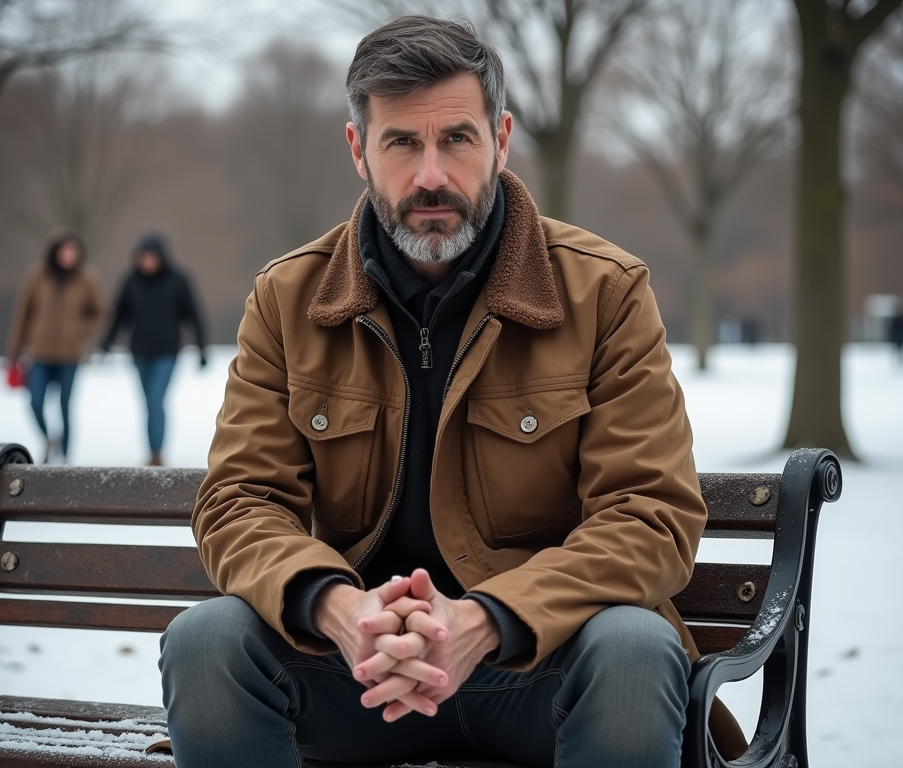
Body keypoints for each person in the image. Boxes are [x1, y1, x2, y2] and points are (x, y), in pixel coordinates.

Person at [158, 15, 747, 768]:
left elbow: (651, 515)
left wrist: (490, 619)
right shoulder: (287, 297)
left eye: (457, 139)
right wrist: (339, 610)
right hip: (358, 672)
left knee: (635, 645)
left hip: (544, 671)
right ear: (358, 150)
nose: (430, 174)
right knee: (206, 641)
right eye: (401, 142)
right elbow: (239, 501)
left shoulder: (605, 292)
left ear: (501, 141)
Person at [101, 233, 207, 466]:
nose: (147, 262)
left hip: (167, 352)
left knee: (156, 400)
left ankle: (156, 453)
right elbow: (120, 314)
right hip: (139, 352)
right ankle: (152, 450)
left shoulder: (178, 280)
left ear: (161, 257)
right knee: (147, 403)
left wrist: (202, 349)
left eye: (152, 257)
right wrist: (106, 342)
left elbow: (193, 316)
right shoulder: (131, 280)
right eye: (143, 257)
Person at [7, 230, 104, 464]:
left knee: (65, 407)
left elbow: (99, 313)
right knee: (35, 401)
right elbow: (23, 313)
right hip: (39, 353)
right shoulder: (37, 276)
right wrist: (14, 351)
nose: (69, 255)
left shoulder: (87, 279)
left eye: (74, 251)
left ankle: (66, 458)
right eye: (65, 250)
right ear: (55, 252)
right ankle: (48, 439)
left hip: (70, 355)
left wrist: (78, 330)